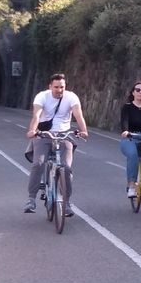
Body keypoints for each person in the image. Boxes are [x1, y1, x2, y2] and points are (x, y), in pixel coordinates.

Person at [24, 73, 88, 216]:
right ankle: (31, 199)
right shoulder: (42, 96)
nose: (59, 90)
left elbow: (78, 114)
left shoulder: (71, 97)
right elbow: (36, 115)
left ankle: (66, 203)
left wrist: (83, 130)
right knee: (38, 163)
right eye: (56, 87)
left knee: (66, 168)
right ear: (50, 86)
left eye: (62, 87)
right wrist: (33, 130)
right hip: (44, 134)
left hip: (64, 134)